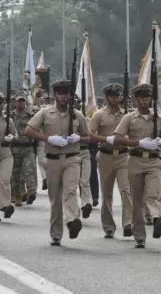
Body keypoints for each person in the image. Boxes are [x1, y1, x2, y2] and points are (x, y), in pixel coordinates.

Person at [24, 79, 90, 245]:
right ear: (55, 95)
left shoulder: (77, 114)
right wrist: (48, 138)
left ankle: (73, 220)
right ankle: (56, 233)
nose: (63, 97)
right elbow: (28, 130)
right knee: (55, 200)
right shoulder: (45, 113)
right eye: (60, 93)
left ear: (70, 95)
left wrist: (79, 138)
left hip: (72, 158)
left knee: (69, 190)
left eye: (66, 93)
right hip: (53, 160)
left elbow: (88, 136)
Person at [113, 83, 161, 248]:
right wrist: (137, 142)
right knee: (136, 200)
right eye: (142, 97)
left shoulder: (158, 118)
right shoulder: (129, 118)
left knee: (153, 194)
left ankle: (157, 218)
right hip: (135, 160)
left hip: (154, 160)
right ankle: (139, 235)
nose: (145, 100)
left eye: (148, 97)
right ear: (136, 100)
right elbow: (117, 138)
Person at [88, 83, 132, 239]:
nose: (116, 98)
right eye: (112, 96)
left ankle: (128, 223)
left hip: (123, 155)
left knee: (126, 190)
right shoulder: (99, 115)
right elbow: (90, 134)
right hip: (106, 154)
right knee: (107, 194)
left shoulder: (127, 114)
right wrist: (106, 138)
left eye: (118, 95)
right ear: (106, 97)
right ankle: (108, 226)